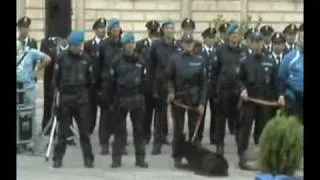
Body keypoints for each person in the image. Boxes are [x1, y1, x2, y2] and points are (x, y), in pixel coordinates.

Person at [52, 31, 94, 168]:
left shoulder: (86, 59)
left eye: (79, 45)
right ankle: (57, 158)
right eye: (75, 45)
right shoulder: (62, 58)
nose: (78, 48)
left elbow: (90, 80)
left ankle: (88, 159)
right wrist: (58, 101)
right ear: (70, 45)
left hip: (81, 100)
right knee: (62, 133)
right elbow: (56, 80)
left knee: (84, 132)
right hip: (66, 100)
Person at [237, 32, 279, 169]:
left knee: (262, 129)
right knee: (246, 128)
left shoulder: (271, 61)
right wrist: (242, 89)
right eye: (254, 41)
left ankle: (260, 154)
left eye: (259, 41)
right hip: (249, 101)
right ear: (250, 43)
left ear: (262, 43)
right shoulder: (245, 61)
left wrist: (278, 98)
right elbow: (238, 79)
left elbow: (275, 83)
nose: (257, 44)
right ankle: (242, 154)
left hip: (265, 102)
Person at [165, 34, 207, 167]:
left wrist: (202, 102)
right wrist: (171, 91)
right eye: (186, 43)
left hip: (194, 100)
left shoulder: (200, 59)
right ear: (182, 44)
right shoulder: (174, 59)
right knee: (178, 130)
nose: (189, 45)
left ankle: (193, 157)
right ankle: (177, 156)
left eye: (191, 43)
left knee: (194, 130)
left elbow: (204, 84)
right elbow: (168, 79)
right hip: (179, 99)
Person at [110, 32, 149, 168]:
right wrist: (111, 100)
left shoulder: (141, 60)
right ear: (123, 45)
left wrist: (142, 95)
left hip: (137, 98)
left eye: (133, 43)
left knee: (139, 131)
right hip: (121, 98)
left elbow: (145, 80)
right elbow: (111, 82)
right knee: (119, 131)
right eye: (128, 43)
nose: (131, 45)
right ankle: (116, 159)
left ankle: (140, 159)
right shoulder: (116, 61)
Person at [214, 24, 247, 155]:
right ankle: (219, 145)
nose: (235, 37)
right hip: (224, 91)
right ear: (228, 36)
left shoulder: (244, 51)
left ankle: (240, 144)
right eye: (233, 35)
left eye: (237, 35)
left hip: (238, 91)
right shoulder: (220, 50)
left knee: (239, 119)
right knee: (221, 120)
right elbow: (215, 71)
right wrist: (215, 91)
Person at [149, 19, 180, 155]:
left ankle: (178, 144)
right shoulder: (156, 46)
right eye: (167, 28)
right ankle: (157, 143)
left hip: (176, 85)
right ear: (163, 30)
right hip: (160, 85)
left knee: (178, 116)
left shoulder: (178, 46)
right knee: (160, 117)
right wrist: (152, 86)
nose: (170, 30)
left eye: (172, 28)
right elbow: (151, 67)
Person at [99, 18, 128, 155]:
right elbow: (97, 67)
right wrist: (98, 87)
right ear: (109, 31)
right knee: (105, 117)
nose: (116, 31)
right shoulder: (103, 45)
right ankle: (104, 143)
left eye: (118, 28)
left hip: (121, 86)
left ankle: (121, 144)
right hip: (107, 86)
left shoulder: (124, 44)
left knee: (121, 117)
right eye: (113, 29)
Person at [16, 40, 51, 150]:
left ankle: (29, 139)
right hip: (17, 87)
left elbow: (47, 58)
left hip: (28, 87)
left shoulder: (30, 52)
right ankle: (18, 139)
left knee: (30, 113)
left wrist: (36, 70)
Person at [40, 37, 75, 145]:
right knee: (53, 106)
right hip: (56, 84)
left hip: (68, 86)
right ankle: (51, 129)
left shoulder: (70, 50)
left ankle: (68, 132)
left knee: (67, 109)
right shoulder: (53, 49)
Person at [135, 20, 162, 144]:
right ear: (149, 34)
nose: (156, 38)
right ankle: (145, 135)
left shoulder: (163, 47)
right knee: (147, 112)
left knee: (161, 114)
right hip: (147, 84)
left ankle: (160, 136)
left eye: (158, 35)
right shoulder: (141, 45)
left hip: (160, 84)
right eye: (153, 35)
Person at [84, 17, 107, 135]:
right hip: (92, 82)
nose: (102, 30)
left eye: (104, 28)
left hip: (104, 82)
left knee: (105, 109)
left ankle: (104, 132)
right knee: (90, 108)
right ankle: (89, 129)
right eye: (100, 28)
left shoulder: (108, 44)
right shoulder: (88, 45)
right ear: (95, 30)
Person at [278, 23, 303, 122]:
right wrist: (281, 95)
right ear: (299, 39)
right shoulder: (290, 57)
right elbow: (281, 78)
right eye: (302, 37)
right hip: (293, 99)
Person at [198, 27, 218, 145]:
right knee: (201, 112)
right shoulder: (199, 52)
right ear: (204, 39)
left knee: (216, 113)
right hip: (203, 87)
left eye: (212, 38)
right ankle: (198, 136)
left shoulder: (217, 51)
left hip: (214, 86)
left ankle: (214, 136)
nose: (211, 40)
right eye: (209, 38)